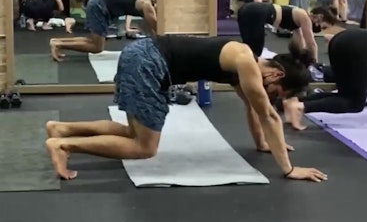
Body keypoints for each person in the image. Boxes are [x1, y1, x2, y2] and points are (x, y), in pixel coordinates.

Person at [45, 35, 327, 183]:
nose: (270, 95)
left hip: (142, 53)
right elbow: (268, 114)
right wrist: (289, 169)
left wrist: (263, 144)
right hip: (149, 63)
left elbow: (254, 109)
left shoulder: (243, 63)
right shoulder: (246, 61)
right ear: (277, 75)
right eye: (277, 92)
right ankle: (64, 146)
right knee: (145, 147)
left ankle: (62, 129)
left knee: (134, 132)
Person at [49, 0, 157, 61]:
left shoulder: (147, 5)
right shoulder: (146, 3)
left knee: (92, 41)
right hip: (99, 5)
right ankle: (58, 44)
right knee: (97, 48)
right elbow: (157, 28)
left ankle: (57, 42)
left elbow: (152, 33)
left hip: (100, 4)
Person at [238, 2, 327, 62]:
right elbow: (311, 44)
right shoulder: (305, 17)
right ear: (319, 17)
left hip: (246, 9)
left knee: (247, 46)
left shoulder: (299, 19)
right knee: (256, 51)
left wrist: (301, 58)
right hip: (257, 12)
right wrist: (315, 63)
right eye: (322, 26)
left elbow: (300, 43)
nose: (318, 27)